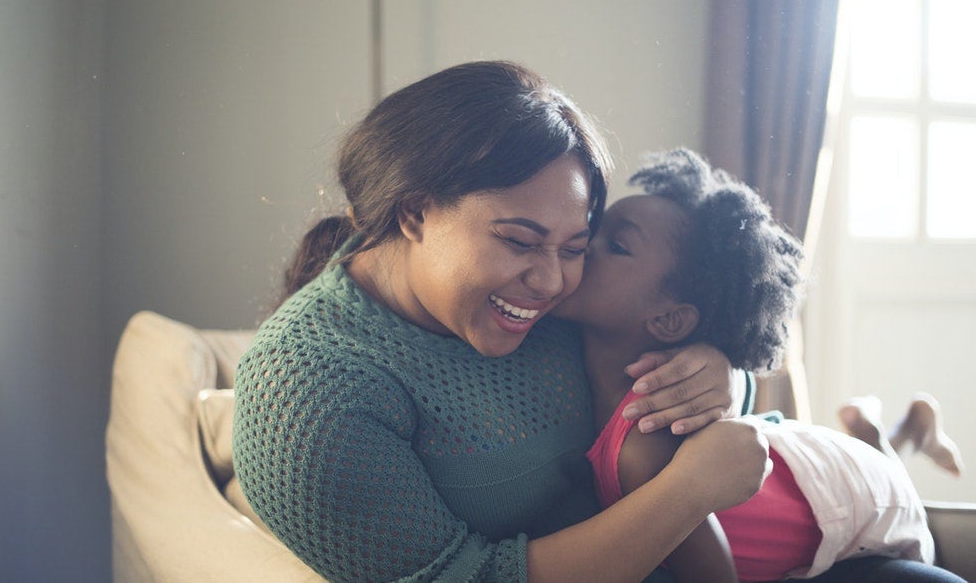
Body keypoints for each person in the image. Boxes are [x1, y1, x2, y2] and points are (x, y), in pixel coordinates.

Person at [232, 61, 768, 583]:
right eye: (519, 241)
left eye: (575, 247)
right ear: (414, 213)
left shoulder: (557, 307)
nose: (552, 281)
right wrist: (689, 490)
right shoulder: (308, 391)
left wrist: (718, 370)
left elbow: (661, 344)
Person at [555, 147, 965, 582]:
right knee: (881, 462)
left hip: (839, 501)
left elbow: (718, 578)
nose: (582, 243)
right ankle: (894, 430)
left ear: (669, 319)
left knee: (912, 524)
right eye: (594, 228)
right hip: (797, 467)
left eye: (616, 246)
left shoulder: (646, 447)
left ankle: (892, 434)